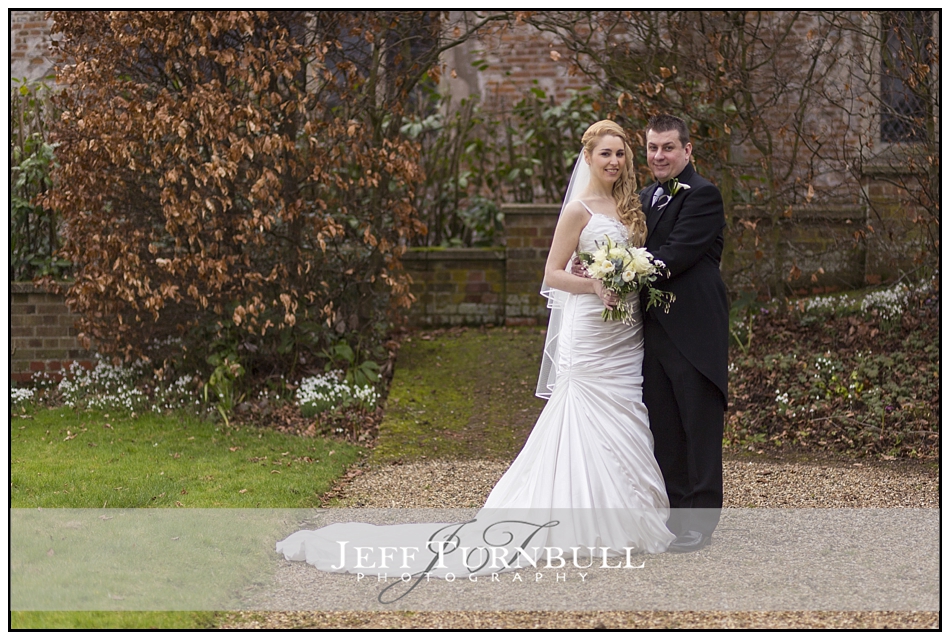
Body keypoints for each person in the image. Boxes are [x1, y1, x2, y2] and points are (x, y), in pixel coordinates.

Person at [276, 120, 675, 582]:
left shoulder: (632, 206)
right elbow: (550, 275)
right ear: (587, 159)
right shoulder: (578, 210)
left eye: (620, 154)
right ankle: (579, 522)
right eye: (605, 154)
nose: (614, 161)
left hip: (625, 334)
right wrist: (595, 284)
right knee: (584, 414)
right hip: (590, 329)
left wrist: (627, 276)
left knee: (626, 411)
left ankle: (625, 514)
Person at [638, 114, 728, 552]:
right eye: (653, 148)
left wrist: (619, 271)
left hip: (694, 330)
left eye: (668, 147)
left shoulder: (705, 195)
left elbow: (675, 255)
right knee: (665, 428)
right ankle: (675, 515)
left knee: (699, 427)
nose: (659, 155)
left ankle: (701, 523)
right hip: (653, 331)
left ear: (687, 150)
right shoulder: (643, 196)